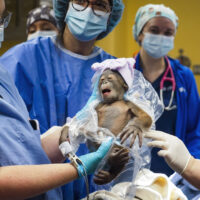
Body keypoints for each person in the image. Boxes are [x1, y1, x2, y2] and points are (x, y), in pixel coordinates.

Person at [0, 0, 125, 199]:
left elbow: (23, 145)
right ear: (65, 5)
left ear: (111, 14)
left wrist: (73, 130)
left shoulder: (115, 71)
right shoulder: (20, 60)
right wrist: (78, 168)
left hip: (94, 189)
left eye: (100, 4)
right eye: (81, 1)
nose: (88, 10)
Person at [132, 3, 200, 177]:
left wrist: (187, 170)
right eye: (154, 30)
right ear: (140, 34)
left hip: (172, 176)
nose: (161, 37)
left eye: (168, 33)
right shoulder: (124, 73)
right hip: (129, 171)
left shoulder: (184, 77)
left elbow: (194, 132)